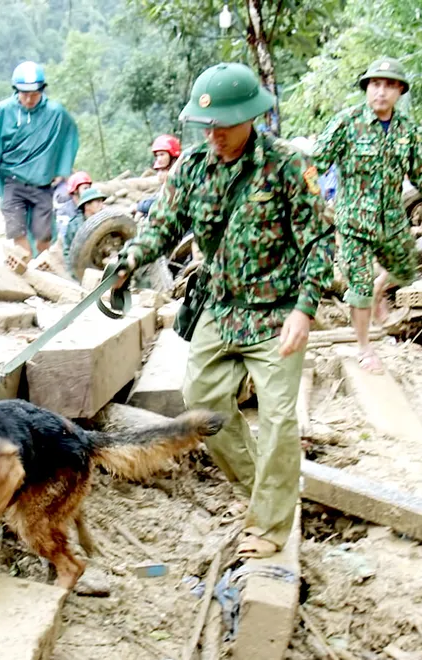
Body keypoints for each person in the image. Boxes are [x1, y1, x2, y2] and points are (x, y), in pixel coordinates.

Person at [116, 63, 335, 560]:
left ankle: (271, 524)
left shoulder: (285, 165)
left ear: (251, 119)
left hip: (277, 312)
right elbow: (163, 226)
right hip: (221, 306)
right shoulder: (192, 167)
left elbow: (321, 240)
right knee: (203, 403)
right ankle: (264, 488)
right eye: (206, 126)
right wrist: (129, 260)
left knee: (279, 418)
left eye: (223, 126)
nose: (213, 134)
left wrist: (305, 309)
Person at [312, 57, 422, 374]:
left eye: (389, 85)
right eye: (376, 84)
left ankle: (380, 288)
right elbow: (313, 165)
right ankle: (365, 348)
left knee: (407, 272)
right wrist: (311, 201)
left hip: (392, 222)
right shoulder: (346, 123)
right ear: (367, 88)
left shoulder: (406, 129)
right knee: (360, 290)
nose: (381, 92)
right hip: (353, 224)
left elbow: (421, 174)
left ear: (399, 91)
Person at [0, 61, 79, 257]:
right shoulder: (3, 111)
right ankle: (27, 269)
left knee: (43, 235)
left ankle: (44, 265)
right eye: (24, 94)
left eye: (34, 94)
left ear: (42, 91)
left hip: (42, 184)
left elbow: (69, 137)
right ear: (15, 90)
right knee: (16, 230)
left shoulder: (55, 113)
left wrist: (62, 171)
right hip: (12, 181)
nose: (28, 100)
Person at [134, 134, 182, 218]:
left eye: (162, 154)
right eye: (157, 155)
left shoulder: (181, 175)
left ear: (172, 156)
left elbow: (167, 203)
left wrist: (140, 206)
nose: (159, 159)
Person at [62, 187, 107, 275]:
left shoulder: (106, 220)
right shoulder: (75, 225)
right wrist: (73, 273)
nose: (101, 205)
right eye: (97, 202)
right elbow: (68, 252)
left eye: (102, 201)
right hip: (83, 268)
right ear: (87, 205)